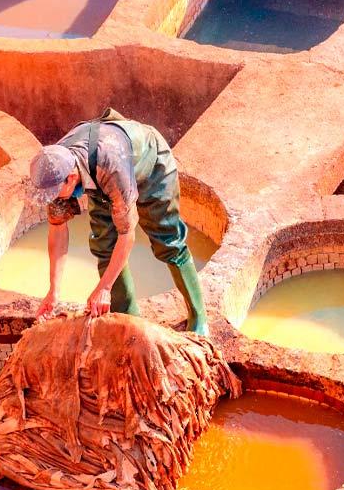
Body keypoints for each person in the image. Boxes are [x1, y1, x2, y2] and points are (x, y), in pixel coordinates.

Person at [26, 109, 208, 335]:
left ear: (71, 178)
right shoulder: (54, 167)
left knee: (167, 241)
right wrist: (54, 292)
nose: (52, 199)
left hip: (150, 167)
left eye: (54, 194)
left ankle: (199, 316)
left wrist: (104, 288)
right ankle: (129, 323)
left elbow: (127, 234)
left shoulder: (110, 167)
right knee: (104, 245)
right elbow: (57, 228)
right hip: (101, 179)